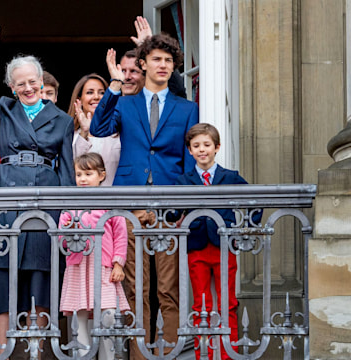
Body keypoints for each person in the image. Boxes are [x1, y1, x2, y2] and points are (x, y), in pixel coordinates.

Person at [90, 33, 198, 357]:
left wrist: (180, 203)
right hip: (131, 206)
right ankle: (139, 355)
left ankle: (170, 353)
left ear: (173, 67)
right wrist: (112, 83)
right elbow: (98, 128)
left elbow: (188, 159)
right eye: (156, 59)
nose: (162, 65)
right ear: (143, 64)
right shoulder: (125, 102)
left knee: (169, 289)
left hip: (169, 209)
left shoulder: (186, 108)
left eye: (168, 61)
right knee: (136, 288)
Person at [0, 12, 75, 354]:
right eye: (21, 83)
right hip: (8, 196)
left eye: (33, 82)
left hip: (46, 197)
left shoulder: (62, 120)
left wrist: (67, 212)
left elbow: (68, 170)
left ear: (42, 84)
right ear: (12, 87)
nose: (29, 88)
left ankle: (39, 349)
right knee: (4, 270)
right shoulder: (3, 110)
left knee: (42, 273)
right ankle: (3, 349)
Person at [175, 123, 260, 360]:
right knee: (202, 304)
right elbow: (172, 210)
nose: (202, 150)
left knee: (227, 302)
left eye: (206, 145)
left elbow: (254, 200)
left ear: (217, 147)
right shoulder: (183, 180)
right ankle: (206, 355)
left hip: (225, 246)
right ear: (190, 150)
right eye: (196, 146)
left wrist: (245, 227)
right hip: (197, 247)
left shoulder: (230, 177)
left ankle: (227, 353)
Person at [59, 153, 129, 360]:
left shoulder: (109, 202)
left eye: (88, 174)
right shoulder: (70, 205)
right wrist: (68, 231)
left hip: (103, 268)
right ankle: (83, 356)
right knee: (78, 316)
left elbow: (121, 234)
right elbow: (61, 237)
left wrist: (118, 264)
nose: (82, 179)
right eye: (79, 174)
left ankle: (108, 356)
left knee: (108, 315)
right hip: (78, 268)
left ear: (101, 175)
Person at [108, 16, 186, 98]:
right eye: (123, 71)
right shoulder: (112, 106)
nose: (127, 77)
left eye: (133, 71)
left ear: (146, 75)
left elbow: (178, 92)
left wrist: (148, 47)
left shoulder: (157, 105)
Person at [67, 74, 120, 186]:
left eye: (102, 93)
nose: (96, 97)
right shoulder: (70, 135)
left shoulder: (119, 133)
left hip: (115, 200)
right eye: (90, 92)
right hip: (81, 201)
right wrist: (84, 133)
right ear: (79, 99)